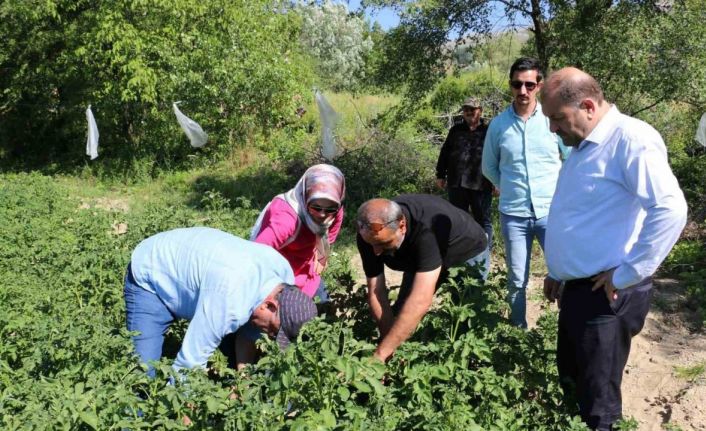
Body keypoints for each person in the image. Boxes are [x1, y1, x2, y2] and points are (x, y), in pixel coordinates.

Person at [540, 67, 687, 430]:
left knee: (599, 405)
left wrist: (628, 273)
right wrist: (559, 270)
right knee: (574, 383)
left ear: (588, 105)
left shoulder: (630, 140)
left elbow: (670, 210)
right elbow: (585, 214)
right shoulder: (584, 143)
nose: (552, 129)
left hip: (607, 295)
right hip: (580, 290)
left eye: (557, 118)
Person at [123, 227, 317, 377]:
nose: (271, 336)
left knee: (236, 350)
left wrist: (243, 381)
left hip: (195, 271)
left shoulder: (282, 277)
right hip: (153, 274)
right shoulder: (229, 299)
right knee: (143, 373)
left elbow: (250, 330)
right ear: (270, 305)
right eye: (274, 330)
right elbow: (189, 363)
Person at [481, 57, 570, 328]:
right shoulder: (498, 126)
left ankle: (571, 330)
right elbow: (489, 167)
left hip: (551, 212)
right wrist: (508, 186)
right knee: (517, 278)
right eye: (517, 84)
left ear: (539, 86)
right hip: (514, 215)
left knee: (566, 273)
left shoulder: (552, 119)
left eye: (529, 85)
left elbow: (570, 159)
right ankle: (517, 332)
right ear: (510, 86)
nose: (523, 91)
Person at [356, 194, 488, 362]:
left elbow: (420, 300)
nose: (376, 252)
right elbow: (376, 293)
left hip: (467, 251)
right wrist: (387, 346)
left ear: (402, 226)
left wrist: (380, 355)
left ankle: (463, 368)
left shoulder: (426, 230)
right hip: (419, 255)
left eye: (384, 244)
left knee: (464, 319)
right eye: (371, 245)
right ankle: (402, 357)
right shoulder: (369, 233)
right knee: (402, 311)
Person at [251, 163, 345, 301]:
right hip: (277, 274)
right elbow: (254, 256)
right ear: (305, 196)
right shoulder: (286, 221)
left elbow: (328, 238)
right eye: (316, 207)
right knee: (289, 318)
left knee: (326, 311)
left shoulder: (335, 209)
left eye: (330, 209)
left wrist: (321, 258)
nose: (323, 214)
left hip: (307, 269)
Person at [435, 97, 494, 259]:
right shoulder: (455, 130)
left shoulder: (489, 131)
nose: (469, 112)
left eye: (473, 109)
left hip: (481, 184)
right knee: (458, 219)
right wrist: (440, 174)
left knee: (484, 221)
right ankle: (462, 254)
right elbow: (445, 153)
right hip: (456, 183)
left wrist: (498, 182)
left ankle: (484, 255)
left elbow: (497, 157)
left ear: (480, 111)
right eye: (466, 109)